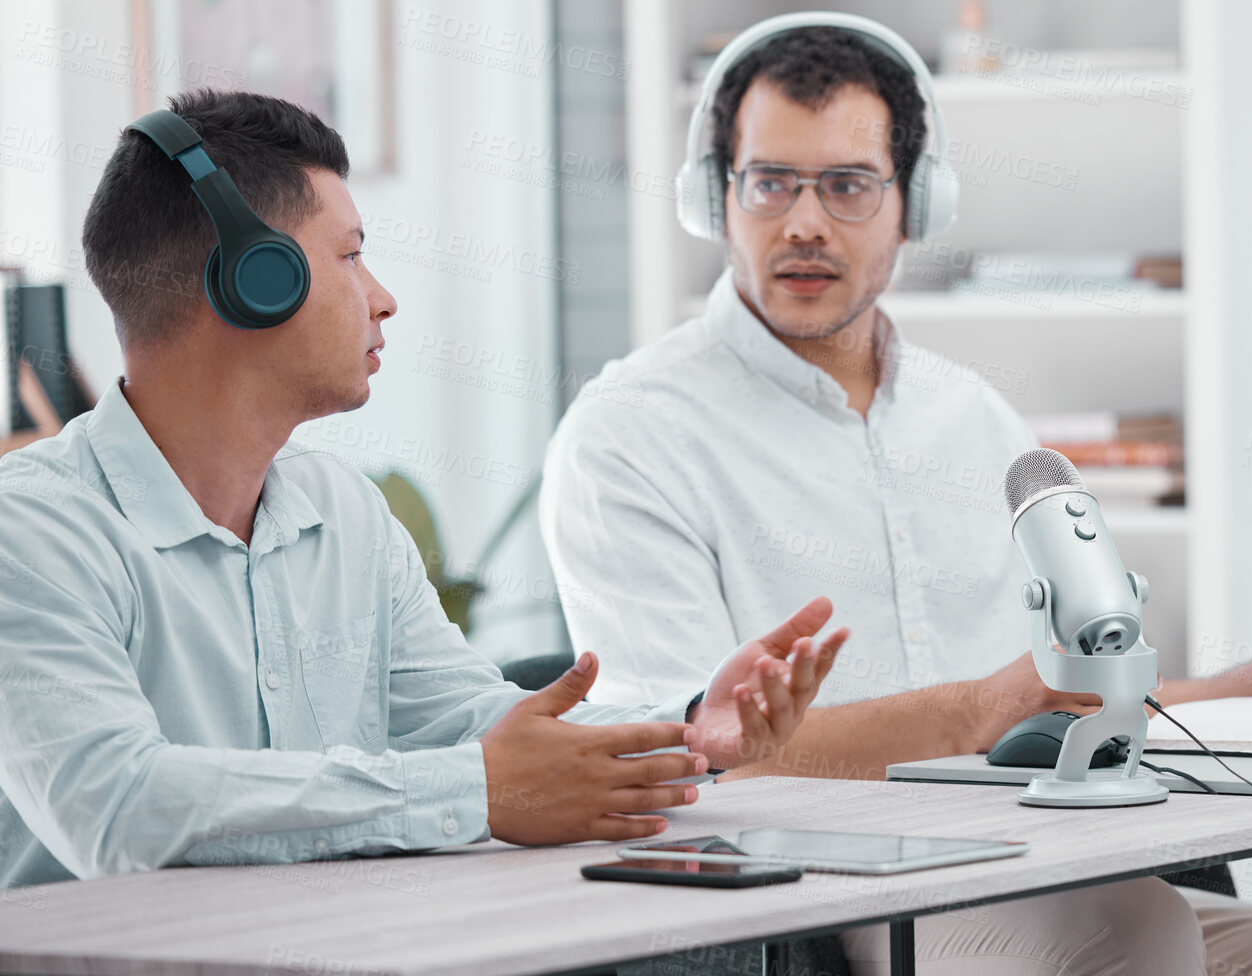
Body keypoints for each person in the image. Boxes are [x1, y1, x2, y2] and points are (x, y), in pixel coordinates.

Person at [540, 18, 1252, 976]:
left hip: (1050, 863)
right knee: (1136, 933)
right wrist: (980, 710)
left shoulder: (973, 420)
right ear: (715, 199)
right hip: (827, 892)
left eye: (848, 185)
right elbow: (679, 756)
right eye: (770, 182)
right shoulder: (628, 436)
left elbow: (1065, 691)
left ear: (916, 205)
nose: (803, 222)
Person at [0, 89, 845, 892]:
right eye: (352, 255)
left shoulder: (344, 515)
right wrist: (473, 792)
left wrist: (693, 725)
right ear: (255, 280)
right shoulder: (33, 531)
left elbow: (472, 724)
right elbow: (114, 806)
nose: (384, 299)